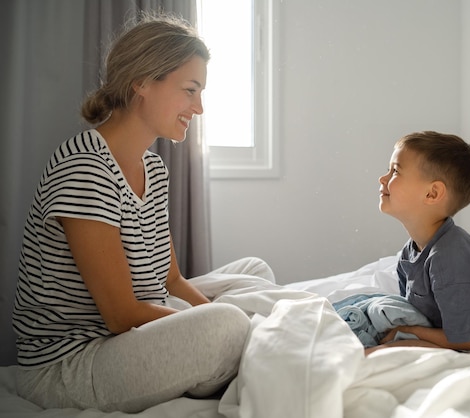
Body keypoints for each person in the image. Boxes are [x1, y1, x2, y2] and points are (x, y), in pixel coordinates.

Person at [12, 12, 274, 412]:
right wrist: (231, 325)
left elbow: (170, 278)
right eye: (190, 90)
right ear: (143, 82)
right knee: (230, 325)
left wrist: (216, 317)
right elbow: (120, 315)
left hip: (127, 331)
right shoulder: (86, 167)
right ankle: (229, 353)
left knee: (254, 271)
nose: (199, 108)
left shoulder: (152, 167)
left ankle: (229, 349)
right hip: (74, 362)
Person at [369, 131, 470, 369]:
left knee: (377, 354)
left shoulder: (452, 259)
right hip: (449, 338)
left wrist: (407, 333)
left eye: (395, 171)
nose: (382, 178)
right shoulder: (412, 252)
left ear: (432, 193)